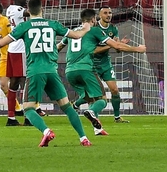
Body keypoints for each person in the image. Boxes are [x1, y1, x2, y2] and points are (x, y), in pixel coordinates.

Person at [0, 0, 93, 147]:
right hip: (52, 71)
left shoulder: (24, 26)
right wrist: (86, 28)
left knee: (28, 108)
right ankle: (83, 138)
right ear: (42, 9)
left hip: (35, 72)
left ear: (28, 11)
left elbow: (2, 42)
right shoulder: (53, 24)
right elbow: (77, 35)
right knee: (67, 106)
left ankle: (46, 131)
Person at [60, 8, 146, 136]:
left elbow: (59, 47)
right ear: (94, 19)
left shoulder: (72, 32)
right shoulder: (95, 30)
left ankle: (97, 128)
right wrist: (138, 49)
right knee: (102, 99)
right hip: (86, 68)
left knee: (91, 98)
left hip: (69, 71)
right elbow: (116, 46)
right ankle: (91, 112)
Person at [73, 6, 130, 123]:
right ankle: (78, 105)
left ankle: (117, 117)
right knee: (94, 95)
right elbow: (92, 50)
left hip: (105, 64)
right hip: (91, 64)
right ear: (99, 16)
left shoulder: (114, 29)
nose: (108, 15)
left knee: (114, 90)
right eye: (105, 13)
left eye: (110, 12)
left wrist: (119, 45)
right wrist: (113, 44)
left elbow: (117, 50)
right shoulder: (93, 28)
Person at [0, 1, 23, 126]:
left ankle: (34, 107)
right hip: (3, 58)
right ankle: (18, 109)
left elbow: (13, 36)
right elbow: (0, 44)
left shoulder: (7, 21)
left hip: (13, 55)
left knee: (21, 82)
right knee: (3, 85)